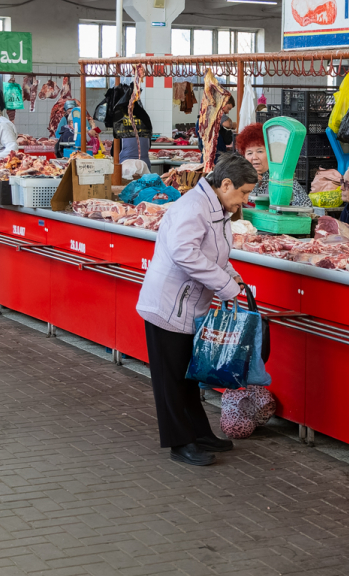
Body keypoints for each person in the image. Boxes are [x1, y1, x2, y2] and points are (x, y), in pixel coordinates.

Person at [135, 153, 257, 467]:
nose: (244, 199)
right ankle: (180, 443)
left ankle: (199, 433)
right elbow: (184, 253)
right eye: (243, 192)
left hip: (188, 305)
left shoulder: (215, 208)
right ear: (226, 184)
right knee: (172, 378)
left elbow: (212, 251)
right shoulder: (193, 207)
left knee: (188, 374)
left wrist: (230, 274)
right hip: (168, 304)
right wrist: (226, 286)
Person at [236, 123, 311, 207]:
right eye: (249, 153)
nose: (254, 157)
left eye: (260, 151)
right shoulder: (238, 179)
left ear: (271, 152)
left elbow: (306, 206)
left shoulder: (282, 178)